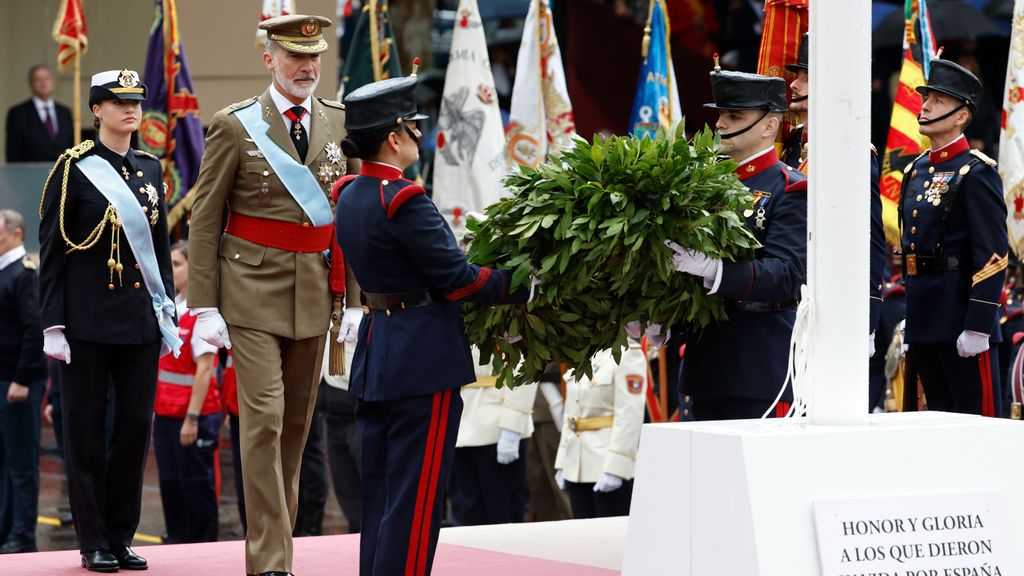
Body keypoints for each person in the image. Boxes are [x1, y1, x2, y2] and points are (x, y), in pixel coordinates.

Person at [333, 74, 531, 576]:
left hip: (380, 351)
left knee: (381, 492)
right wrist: (525, 285)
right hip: (421, 356)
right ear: (395, 136)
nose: (422, 138)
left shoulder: (351, 194)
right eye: (414, 129)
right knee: (417, 498)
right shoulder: (403, 199)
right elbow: (460, 281)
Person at [187, 14, 361, 576]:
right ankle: (270, 561)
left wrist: (355, 300)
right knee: (262, 418)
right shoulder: (235, 124)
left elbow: (349, 217)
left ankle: (275, 543)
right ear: (269, 59)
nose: (307, 67)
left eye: (314, 57)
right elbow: (205, 219)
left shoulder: (339, 121)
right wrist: (204, 305)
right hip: (250, 291)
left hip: (316, 290)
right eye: (295, 57)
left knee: (294, 427)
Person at [38, 68, 179, 572]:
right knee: (84, 430)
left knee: (136, 428)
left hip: (139, 321)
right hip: (86, 325)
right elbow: (51, 253)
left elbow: (159, 250)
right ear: (97, 109)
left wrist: (169, 311)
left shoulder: (149, 167)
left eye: (137, 103)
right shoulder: (71, 169)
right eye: (119, 103)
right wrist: (52, 324)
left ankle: (120, 535)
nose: (132, 111)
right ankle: (93, 538)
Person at [670, 63, 808, 420]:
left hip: (758, 367)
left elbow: (786, 274)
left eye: (734, 115)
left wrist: (717, 270)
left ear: (768, 125)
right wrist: (664, 320)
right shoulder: (701, 185)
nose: (720, 124)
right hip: (705, 365)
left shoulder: (789, 188)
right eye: (721, 115)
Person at [899, 58, 1009, 416]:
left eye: (938, 101)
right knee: (933, 420)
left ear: (962, 115)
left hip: (960, 317)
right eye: (926, 99)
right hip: (923, 315)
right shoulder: (915, 170)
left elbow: (992, 254)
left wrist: (977, 325)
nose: (925, 107)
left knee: (971, 419)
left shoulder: (976, 173)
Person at [785, 31, 888, 389]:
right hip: (789, 294)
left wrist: (869, 315)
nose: (794, 84)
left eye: (805, 77)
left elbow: (870, 237)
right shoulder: (793, 145)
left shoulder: (853, 149)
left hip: (833, 297)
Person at [153, 241, 222, 544]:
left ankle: (201, 551)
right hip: (166, 415)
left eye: (177, 264)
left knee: (196, 489)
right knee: (170, 486)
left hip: (192, 418)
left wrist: (192, 418)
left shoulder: (201, 313)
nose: (171, 270)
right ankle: (176, 546)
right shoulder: (171, 309)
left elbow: (205, 369)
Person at [554, 343, 646, 519]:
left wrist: (616, 468)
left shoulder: (627, 354)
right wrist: (562, 462)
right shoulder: (582, 352)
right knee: (583, 541)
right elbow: (571, 413)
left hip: (607, 464)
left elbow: (629, 417)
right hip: (576, 466)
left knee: (611, 541)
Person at [0, 209, 46, 554]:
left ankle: (22, 533)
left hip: (18, 384)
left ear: (15, 234)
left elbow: (33, 330)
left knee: (21, 463)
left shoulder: (24, 273)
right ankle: (6, 528)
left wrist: (22, 378)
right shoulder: (5, 272)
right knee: (4, 461)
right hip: (4, 380)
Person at [452, 348, 537, 526]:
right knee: (468, 513)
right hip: (462, 422)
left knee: (502, 515)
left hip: (497, 425)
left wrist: (512, 426)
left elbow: (525, 365)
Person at [6, 65, 74, 163]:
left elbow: (71, 145)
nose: (43, 83)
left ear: (53, 81)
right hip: (30, 174)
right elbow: (13, 154)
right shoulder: (17, 113)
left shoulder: (65, 112)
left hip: (62, 174)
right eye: (38, 79)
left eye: (47, 78)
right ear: (31, 84)